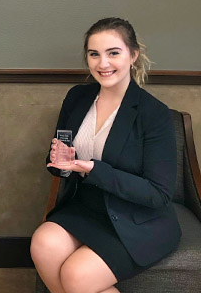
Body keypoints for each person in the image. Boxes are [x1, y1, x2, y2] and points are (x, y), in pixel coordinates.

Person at [30, 17, 181, 292]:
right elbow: (60, 165)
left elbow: (158, 194)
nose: (103, 64)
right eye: (94, 54)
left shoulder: (153, 114)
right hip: (87, 208)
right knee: (43, 243)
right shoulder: (77, 97)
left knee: (77, 276)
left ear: (133, 55)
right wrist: (62, 164)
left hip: (138, 219)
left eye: (113, 53)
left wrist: (91, 168)